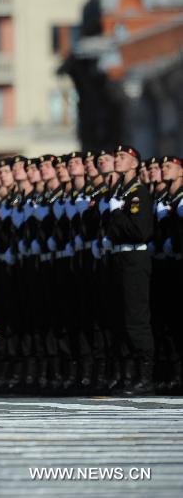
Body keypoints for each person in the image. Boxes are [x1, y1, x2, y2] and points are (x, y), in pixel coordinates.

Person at [105, 145, 154, 395]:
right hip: (119, 258)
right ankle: (128, 375)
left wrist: (116, 214)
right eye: (116, 157)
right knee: (120, 320)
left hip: (135, 259)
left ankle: (145, 377)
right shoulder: (121, 191)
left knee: (136, 320)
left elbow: (139, 231)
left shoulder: (138, 193)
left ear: (134, 164)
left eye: (122, 157)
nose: (117, 160)